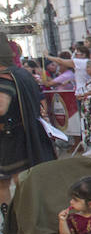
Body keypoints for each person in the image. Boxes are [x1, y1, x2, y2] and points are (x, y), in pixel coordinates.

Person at [0, 33, 55, 213]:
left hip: (11, 140)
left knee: (18, 181)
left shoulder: (4, 79)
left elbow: (1, 107)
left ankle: (19, 222)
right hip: (23, 135)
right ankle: (13, 222)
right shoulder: (21, 73)